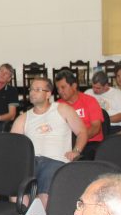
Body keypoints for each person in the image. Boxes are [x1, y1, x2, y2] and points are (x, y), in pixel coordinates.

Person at [11, 77, 87, 208]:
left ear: (48, 94)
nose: (32, 93)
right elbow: (13, 145)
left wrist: (76, 150)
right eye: (31, 89)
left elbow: (82, 132)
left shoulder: (63, 109)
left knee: (44, 195)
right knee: (15, 194)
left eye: (37, 89)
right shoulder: (23, 118)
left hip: (55, 161)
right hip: (31, 162)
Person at [55, 69, 103, 160]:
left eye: (63, 87)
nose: (60, 91)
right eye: (58, 88)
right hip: (67, 144)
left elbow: (96, 127)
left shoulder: (90, 101)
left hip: (91, 143)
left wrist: (79, 141)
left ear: (74, 86)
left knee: (81, 161)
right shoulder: (57, 105)